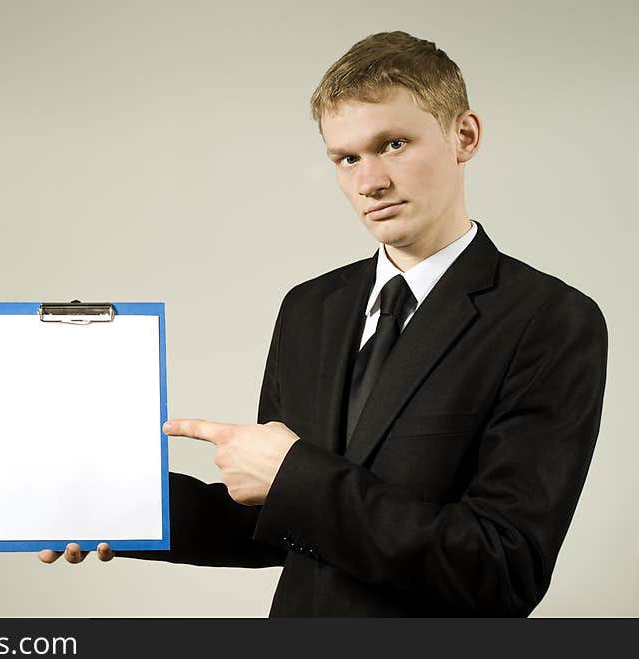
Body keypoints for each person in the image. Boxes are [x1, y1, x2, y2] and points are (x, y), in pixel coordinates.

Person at [38, 30, 608, 617]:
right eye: (347, 158)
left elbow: (502, 567)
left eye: (393, 144)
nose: (370, 182)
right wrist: (121, 507)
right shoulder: (310, 308)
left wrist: (293, 478)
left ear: (464, 136)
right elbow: (274, 519)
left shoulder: (552, 321)